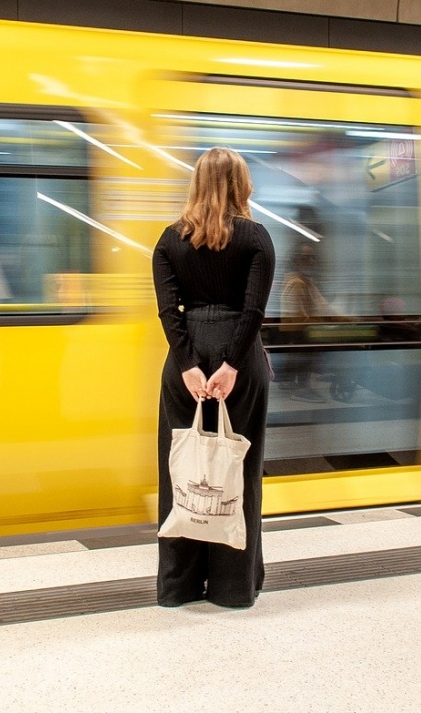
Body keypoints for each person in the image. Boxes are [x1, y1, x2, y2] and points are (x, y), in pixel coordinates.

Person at [152, 147, 275, 608]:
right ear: (241, 184)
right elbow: (254, 311)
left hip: (183, 365)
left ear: (197, 184)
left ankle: (178, 587)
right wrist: (233, 365)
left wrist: (187, 365)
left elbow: (169, 311)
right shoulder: (256, 238)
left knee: (180, 471)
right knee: (238, 472)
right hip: (239, 360)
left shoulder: (169, 240)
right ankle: (231, 587)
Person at [279, 238, 329, 402]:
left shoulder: (308, 282)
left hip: (304, 330)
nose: (311, 261)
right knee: (306, 351)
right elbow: (298, 317)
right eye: (306, 257)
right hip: (299, 332)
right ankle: (302, 388)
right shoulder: (296, 283)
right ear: (296, 261)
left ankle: (296, 383)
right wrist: (321, 322)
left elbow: (323, 305)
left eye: (313, 257)